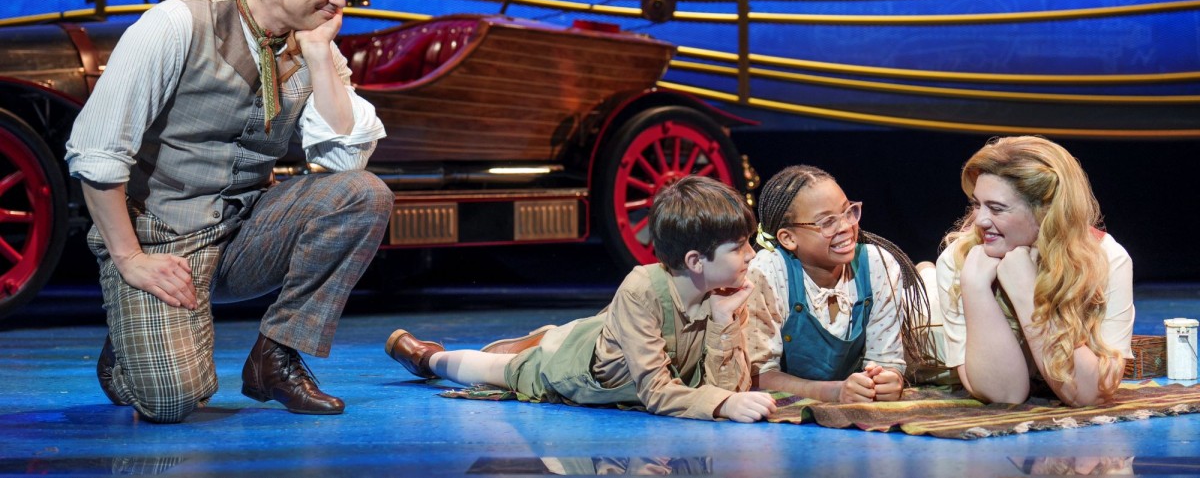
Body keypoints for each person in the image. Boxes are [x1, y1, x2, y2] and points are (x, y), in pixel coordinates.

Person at [65, 0, 394, 423]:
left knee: (363, 194)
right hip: (160, 237)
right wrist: (130, 258)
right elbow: (96, 151)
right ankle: (128, 348)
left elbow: (346, 158)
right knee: (173, 402)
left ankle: (276, 355)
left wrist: (316, 58)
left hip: (241, 232)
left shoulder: (314, 45)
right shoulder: (176, 25)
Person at [384, 175, 777, 423]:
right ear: (695, 260)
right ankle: (427, 357)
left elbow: (728, 388)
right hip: (578, 368)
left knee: (548, 342)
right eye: (739, 247)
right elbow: (657, 392)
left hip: (610, 338)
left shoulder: (726, 293)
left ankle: (539, 338)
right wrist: (722, 404)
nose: (751, 255)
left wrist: (724, 325)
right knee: (504, 370)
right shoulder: (641, 286)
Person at [934, 135, 1134, 406]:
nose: (979, 220)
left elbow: (1091, 393)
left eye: (996, 208)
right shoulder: (959, 260)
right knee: (928, 289)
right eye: (976, 204)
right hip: (928, 324)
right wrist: (975, 286)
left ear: (1047, 213)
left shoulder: (1108, 259)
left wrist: (1028, 293)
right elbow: (1004, 394)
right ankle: (924, 273)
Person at [746, 164, 933, 403]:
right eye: (827, 222)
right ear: (789, 238)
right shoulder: (767, 272)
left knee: (934, 292)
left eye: (848, 212)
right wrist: (833, 392)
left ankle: (927, 271)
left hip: (927, 319)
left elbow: (885, 362)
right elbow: (758, 376)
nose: (846, 227)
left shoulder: (878, 265)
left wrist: (887, 378)